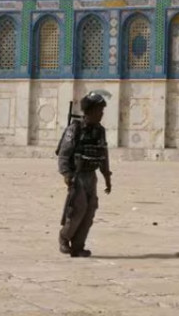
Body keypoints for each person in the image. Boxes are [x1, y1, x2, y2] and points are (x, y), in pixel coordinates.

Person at [56, 90, 112, 258]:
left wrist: (107, 177)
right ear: (89, 111)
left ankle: (78, 247)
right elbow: (64, 154)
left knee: (89, 213)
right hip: (77, 176)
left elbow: (103, 154)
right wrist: (67, 174)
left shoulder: (99, 131)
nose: (101, 114)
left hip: (91, 177)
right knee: (77, 210)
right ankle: (64, 237)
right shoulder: (75, 129)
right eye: (99, 111)